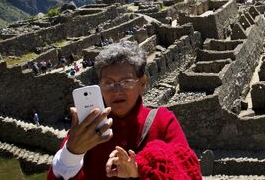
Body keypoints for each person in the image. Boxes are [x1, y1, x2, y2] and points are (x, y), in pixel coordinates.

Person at [47, 40, 202, 179]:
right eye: (108, 83)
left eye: (126, 81)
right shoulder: (85, 129)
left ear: (142, 83)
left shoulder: (162, 122)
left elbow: (189, 172)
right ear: (99, 86)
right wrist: (72, 153)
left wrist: (139, 168)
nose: (117, 90)